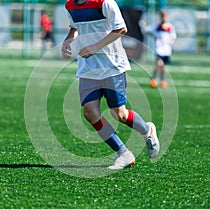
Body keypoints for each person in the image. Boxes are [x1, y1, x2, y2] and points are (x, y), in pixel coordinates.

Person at [62, 0, 160, 169]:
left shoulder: (104, 2)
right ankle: (123, 153)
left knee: (119, 115)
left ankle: (147, 130)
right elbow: (75, 26)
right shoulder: (70, 5)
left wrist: (95, 47)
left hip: (112, 66)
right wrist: (68, 40)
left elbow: (121, 29)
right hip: (88, 68)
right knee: (89, 112)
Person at [146, 11, 176, 88]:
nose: (164, 19)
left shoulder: (170, 27)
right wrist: (144, 25)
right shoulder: (157, 26)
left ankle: (162, 80)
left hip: (167, 50)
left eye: (165, 17)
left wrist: (171, 41)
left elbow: (173, 36)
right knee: (159, 63)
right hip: (158, 49)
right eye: (163, 17)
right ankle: (154, 79)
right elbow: (148, 30)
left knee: (163, 66)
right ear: (160, 18)